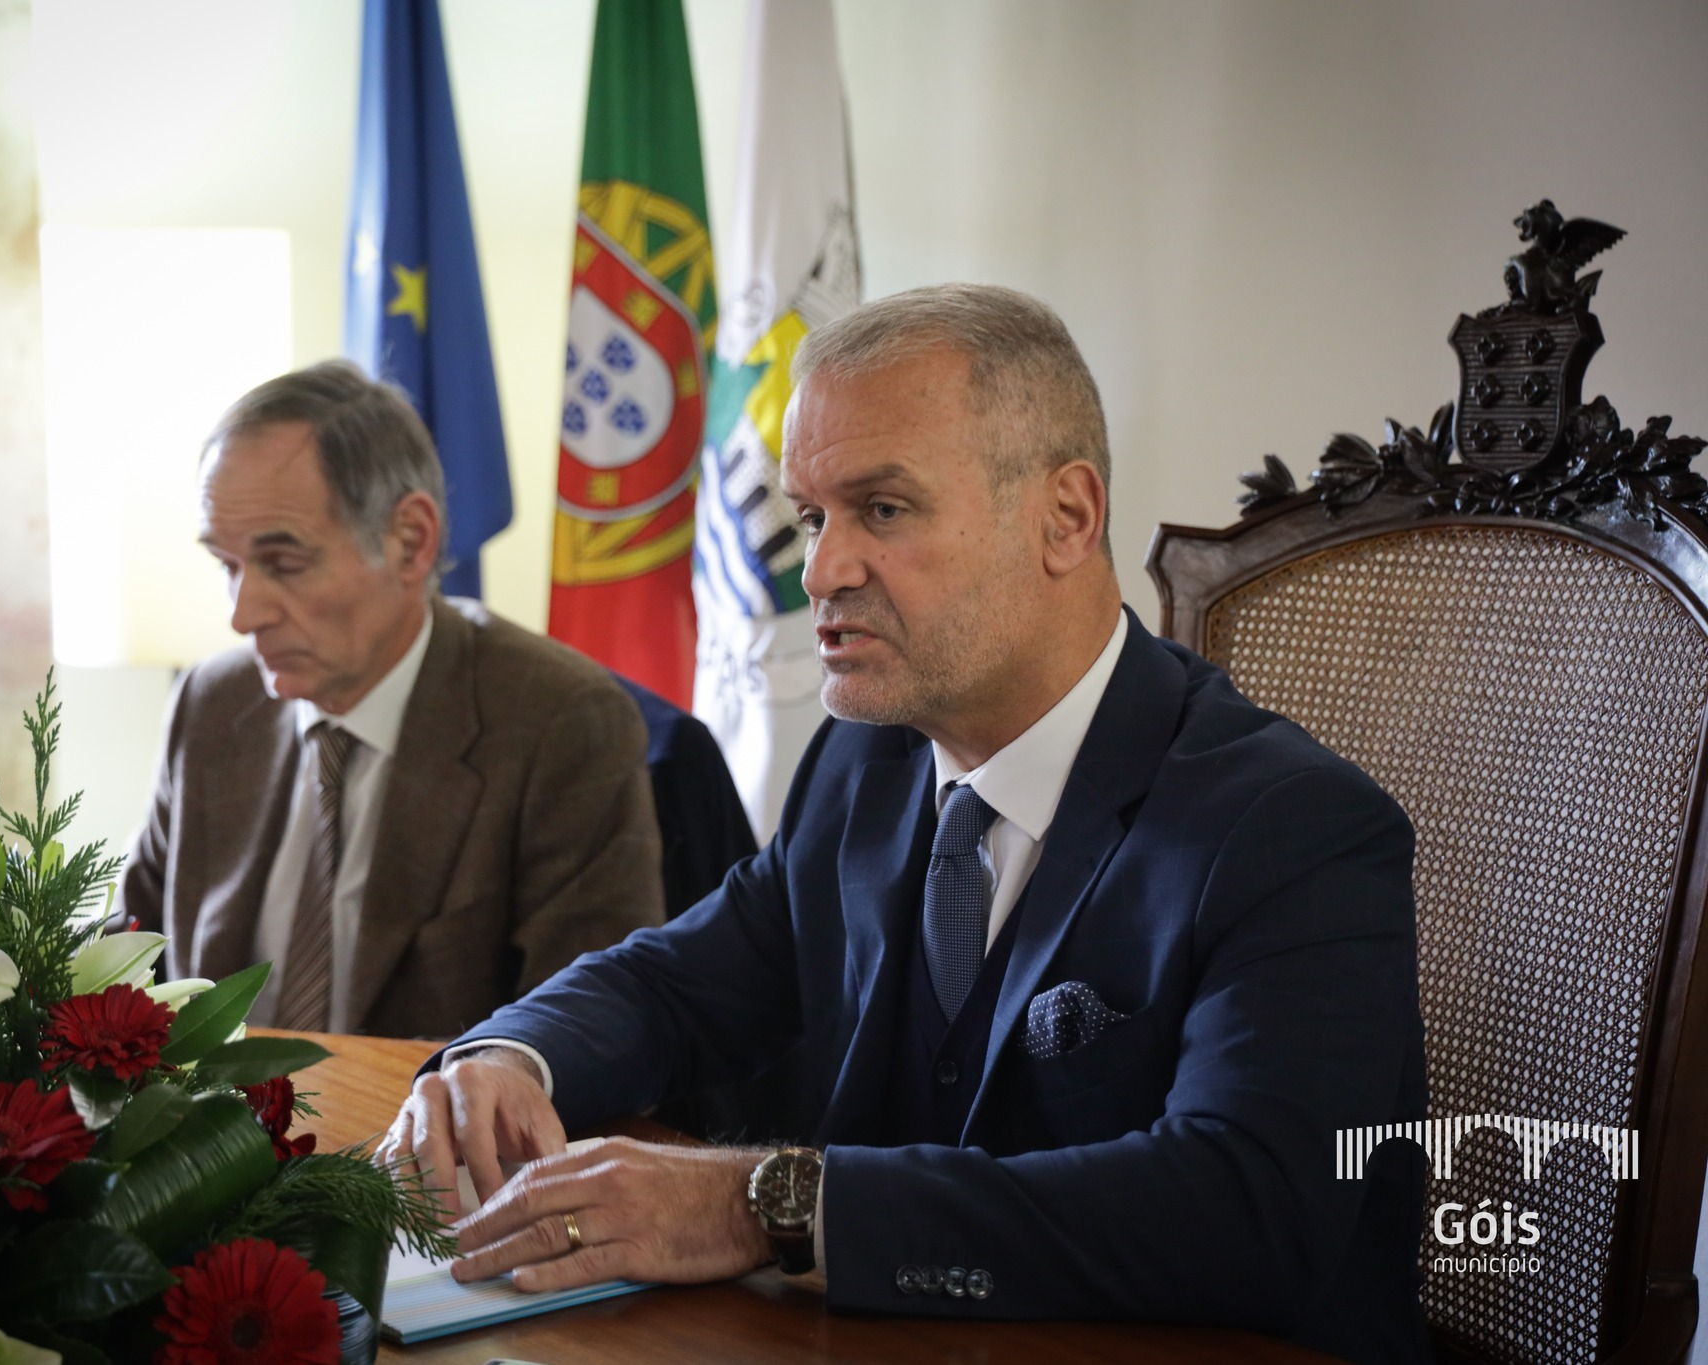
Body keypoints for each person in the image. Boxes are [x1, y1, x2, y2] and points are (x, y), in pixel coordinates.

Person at [378, 285, 1431, 1365]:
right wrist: (509, 1058)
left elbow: (1247, 1210)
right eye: (810, 516)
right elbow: (677, 981)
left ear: (1066, 517)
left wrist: (761, 1203)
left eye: (881, 509)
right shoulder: (866, 762)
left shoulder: (1295, 826)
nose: (819, 571)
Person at [118, 360, 665, 1038]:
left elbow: (587, 1030)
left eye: (284, 564)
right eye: (227, 566)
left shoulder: (558, 721)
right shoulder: (211, 703)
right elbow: (129, 956)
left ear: (410, 542)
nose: (243, 613)